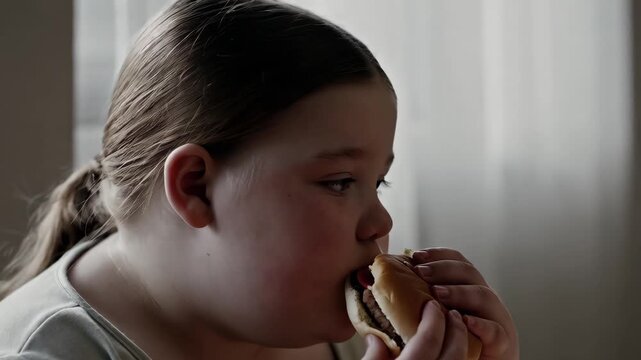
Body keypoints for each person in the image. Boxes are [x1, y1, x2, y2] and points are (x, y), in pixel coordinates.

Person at [0, 0, 519, 359]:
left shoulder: (291, 316)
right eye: (340, 182)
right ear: (196, 187)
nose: (382, 221)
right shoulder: (47, 351)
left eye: (378, 182)